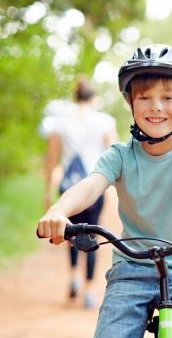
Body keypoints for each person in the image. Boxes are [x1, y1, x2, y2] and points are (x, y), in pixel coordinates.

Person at [38, 44, 172, 337]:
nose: (155, 106)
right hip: (131, 269)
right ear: (130, 102)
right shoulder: (120, 155)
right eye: (144, 97)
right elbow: (90, 186)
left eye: (167, 97)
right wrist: (58, 211)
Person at [43, 76, 118, 308]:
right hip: (93, 185)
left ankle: (74, 277)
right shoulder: (104, 121)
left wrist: (47, 191)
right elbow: (114, 154)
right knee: (93, 235)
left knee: (70, 233)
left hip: (68, 187)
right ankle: (88, 290)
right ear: (93, 98)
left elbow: (52, 158)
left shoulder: (60, 121)